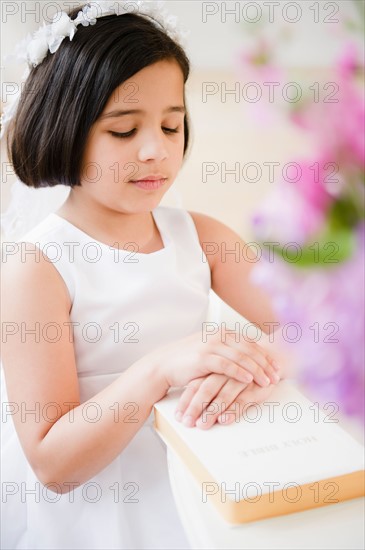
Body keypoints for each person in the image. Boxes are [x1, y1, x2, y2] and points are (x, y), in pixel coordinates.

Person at [1, 3, 286, 549]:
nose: (156, 149)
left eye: (171, 124)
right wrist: (159, 368)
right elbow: (52, 463)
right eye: (125, 130)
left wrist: (250, 369)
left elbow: (319, 330)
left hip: (202, 473)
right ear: (65, 129)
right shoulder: (37, 268)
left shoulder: (199, 235)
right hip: (103, 508)